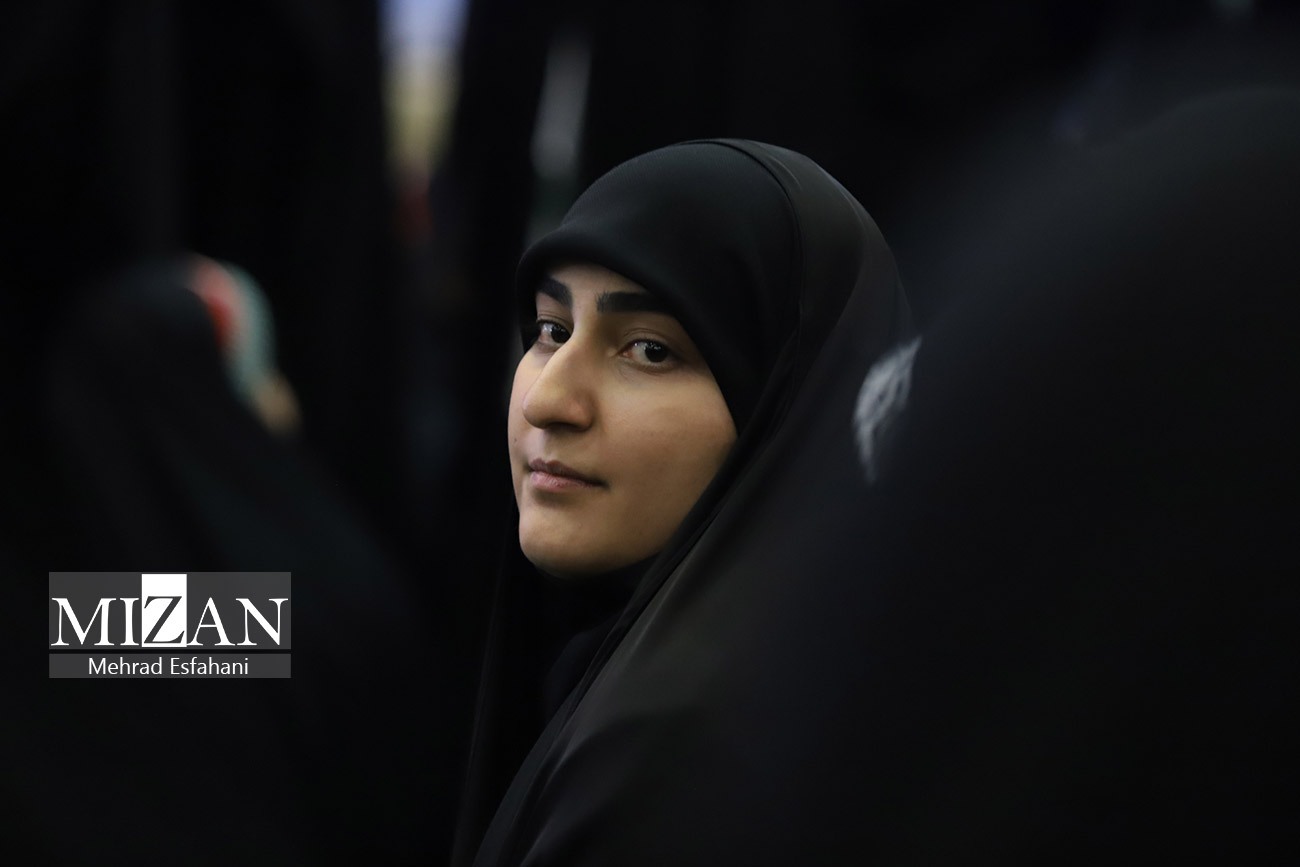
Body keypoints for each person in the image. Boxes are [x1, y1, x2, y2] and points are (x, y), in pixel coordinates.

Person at [452, 138, 911, 865]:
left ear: (788, 408)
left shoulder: (679, 762)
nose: (548, 400)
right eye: (551, 330)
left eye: (649, 350)